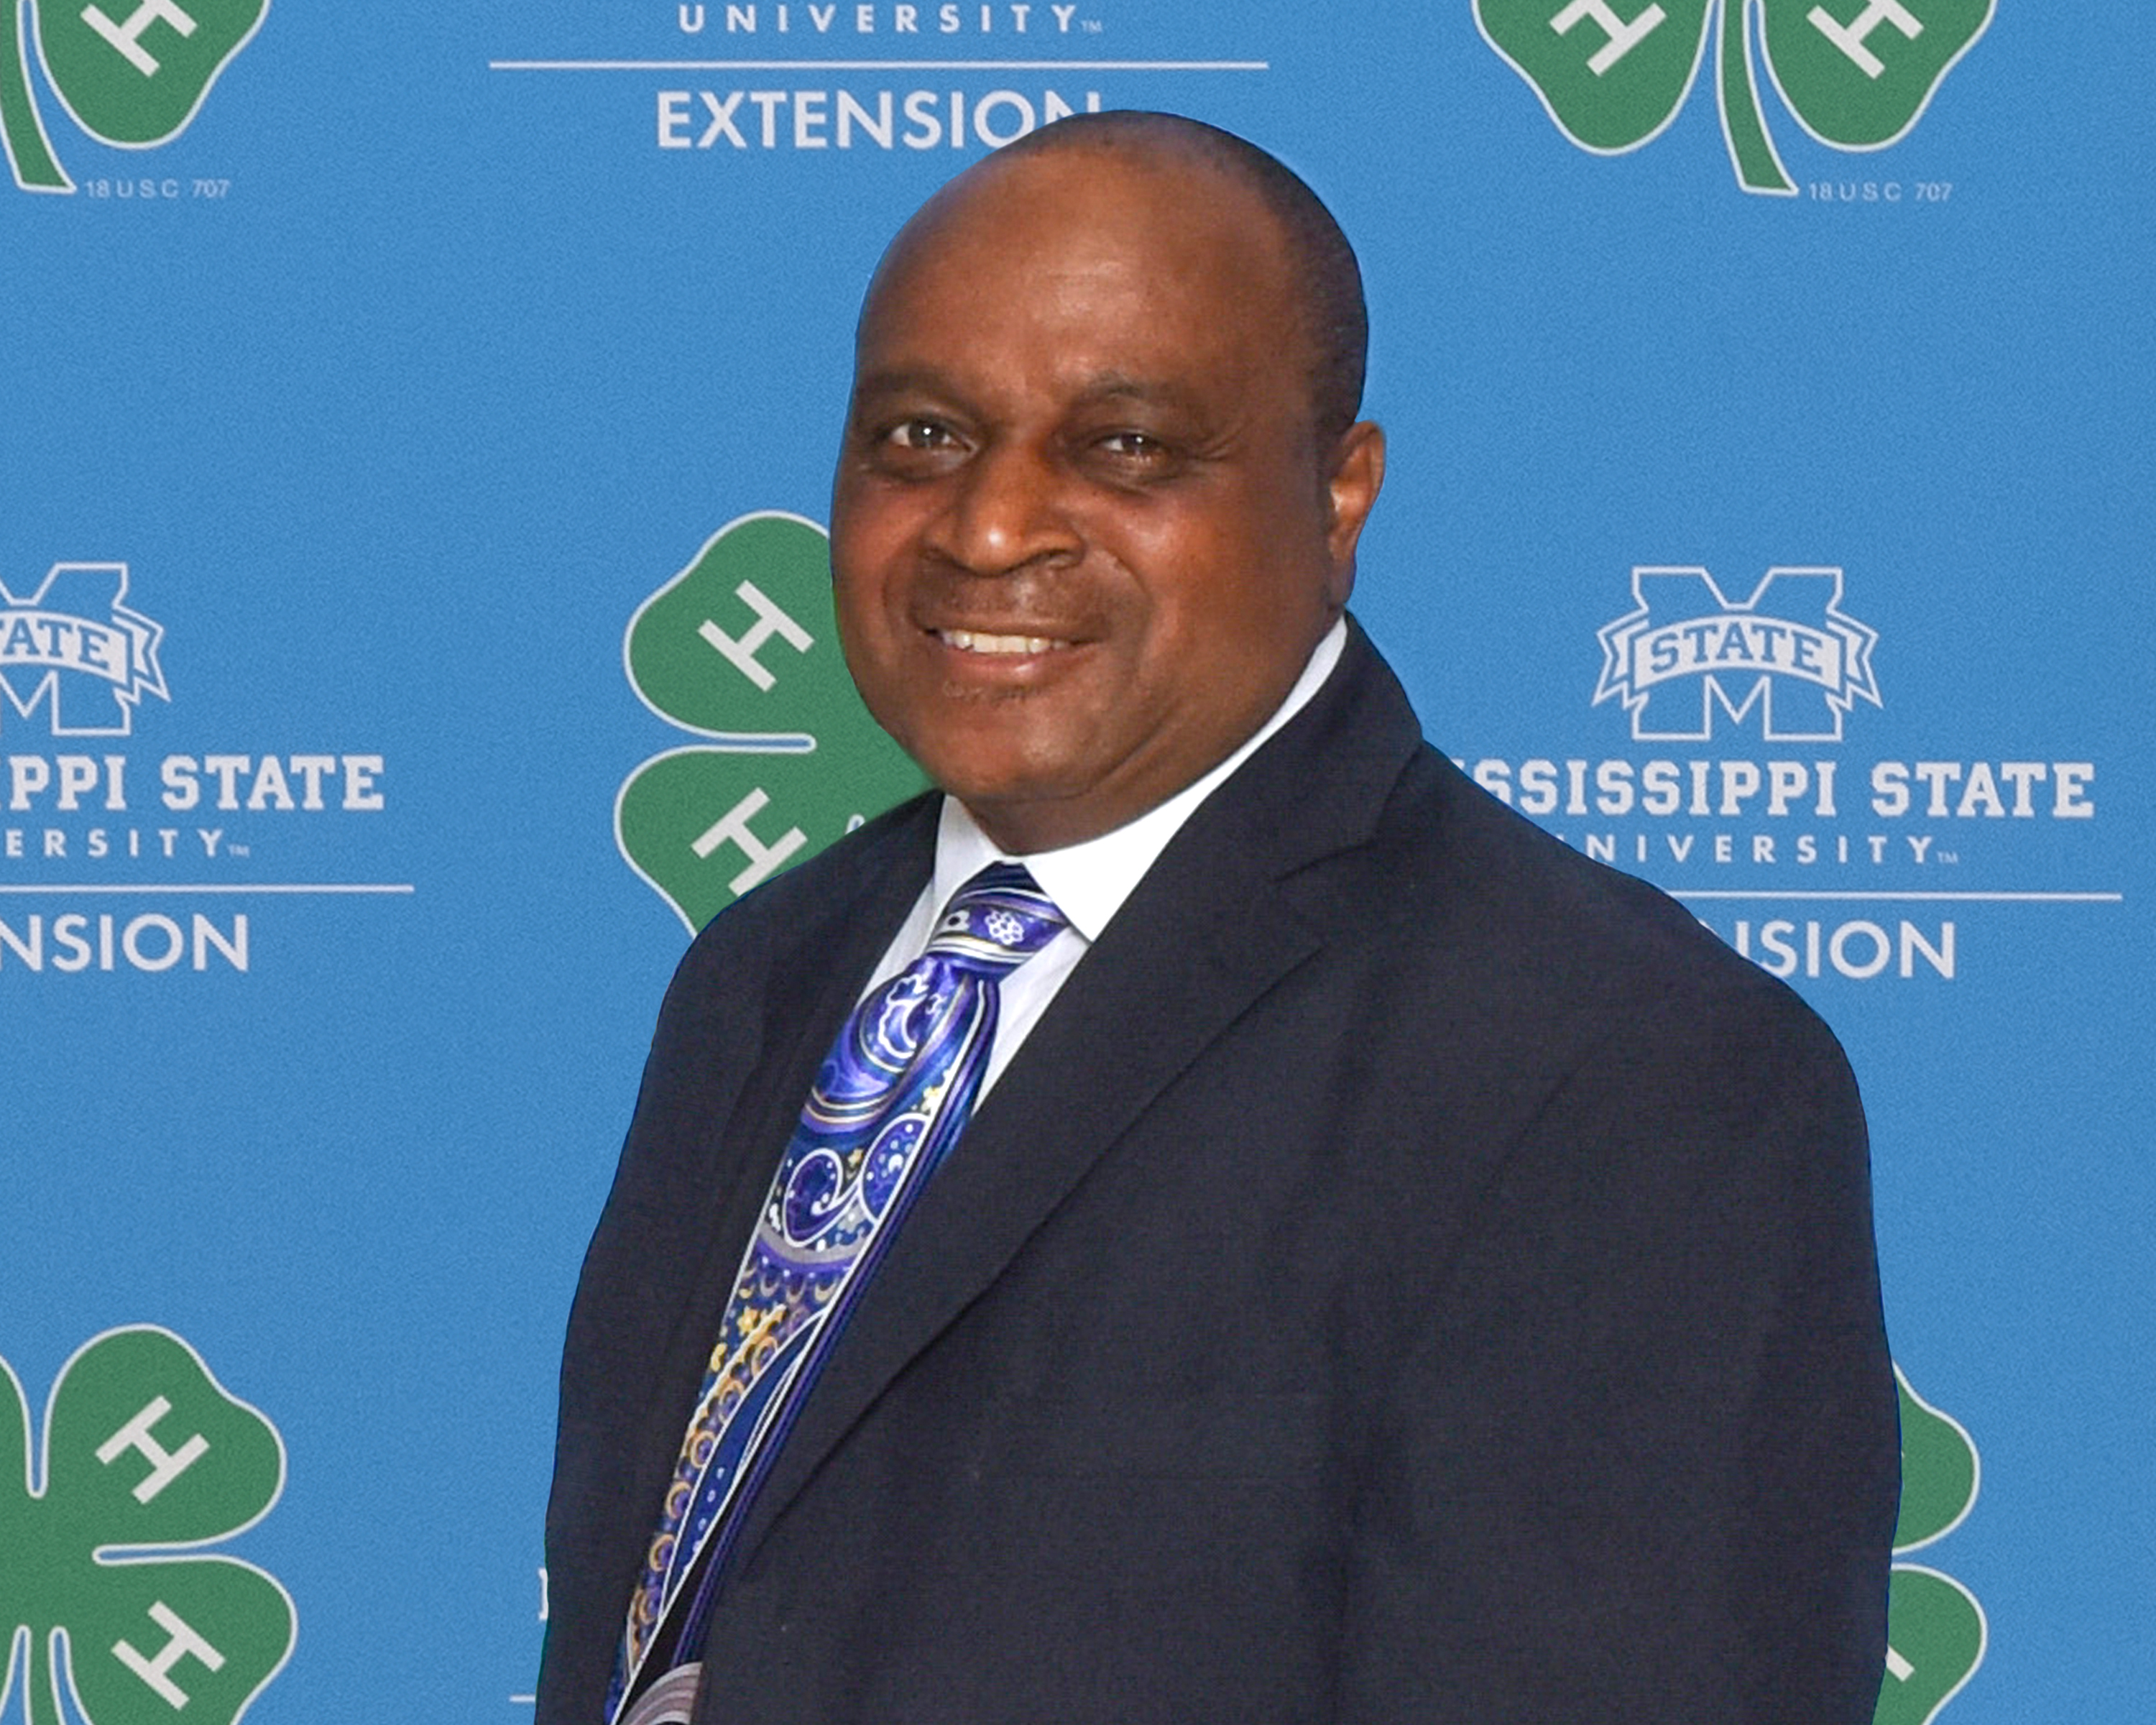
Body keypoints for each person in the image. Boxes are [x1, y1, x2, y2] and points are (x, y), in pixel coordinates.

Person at [536, 111, 1898, 1725]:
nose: (987, 528)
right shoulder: (765, 978)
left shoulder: (1628, 1076)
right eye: (921, 435)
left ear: (1339, 496)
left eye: (1124, 447)